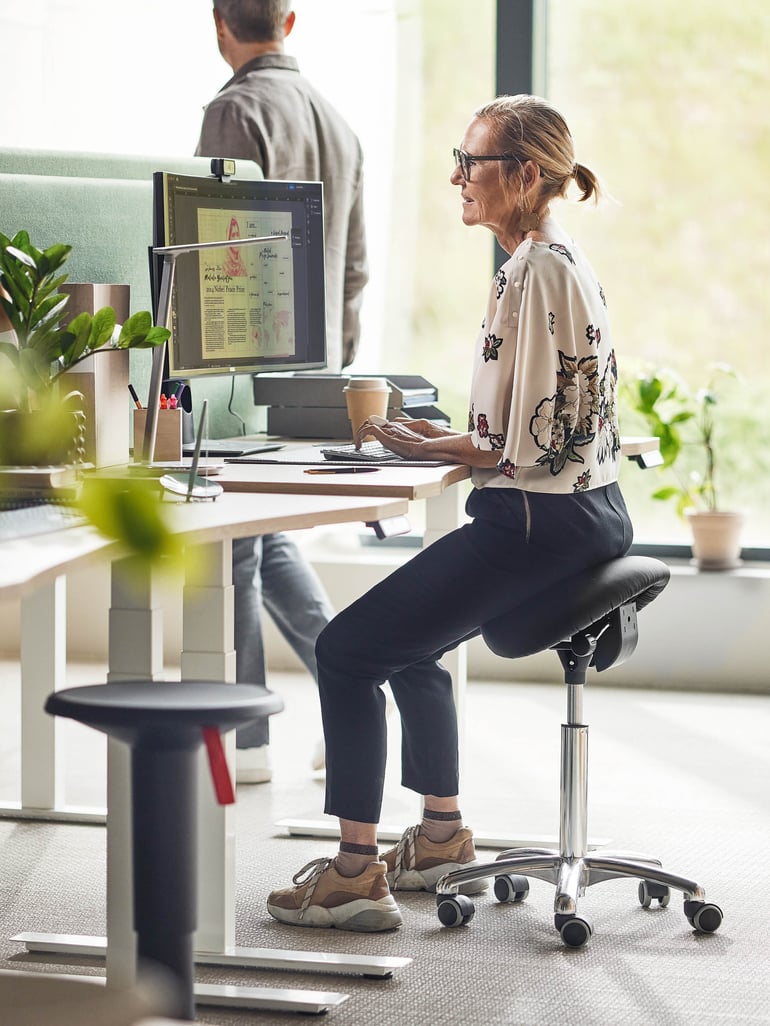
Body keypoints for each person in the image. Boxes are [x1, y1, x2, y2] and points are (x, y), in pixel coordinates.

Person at [266, 94, 633, 931]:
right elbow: (547, 424)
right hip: (586, 510)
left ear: (527, 175)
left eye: (475, 163)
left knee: (348, 649)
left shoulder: (530, 270)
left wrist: (433, 448)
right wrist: (450, 439)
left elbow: (521, 448)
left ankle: (355, 874)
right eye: (458, 159)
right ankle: (438, 836)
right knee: (410, 638)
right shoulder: (562, 259)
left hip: (536, 521)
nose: (459, 178)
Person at [195, 0, 368, 782]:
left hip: (244, 366)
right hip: (316, 366)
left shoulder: (235, 111)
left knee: (233, 548)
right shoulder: (338, 122)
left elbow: (213, 255)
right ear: (289, 23)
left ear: (219, 25)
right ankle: (354, 700)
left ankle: (245, 737)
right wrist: (333, 379)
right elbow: (356, 269)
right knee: (266, 540)